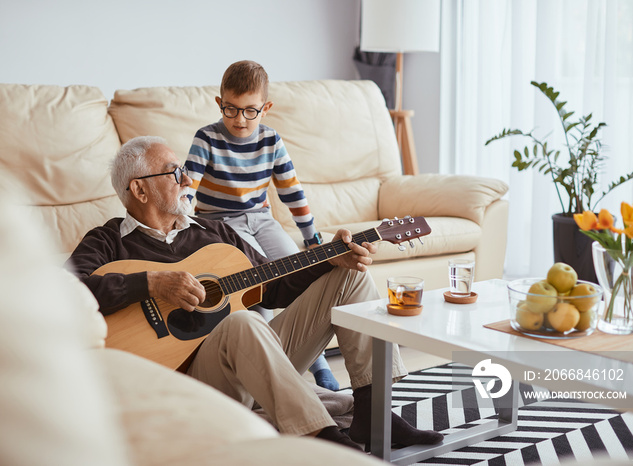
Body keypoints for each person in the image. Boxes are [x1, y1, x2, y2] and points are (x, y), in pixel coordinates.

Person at [66, 136, 444, 451]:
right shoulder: (108, 240)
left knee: (350, 277)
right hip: (194, 384)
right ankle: (321, 438)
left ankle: (373, 413)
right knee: (242, 323)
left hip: (257, 360)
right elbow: (65, 291)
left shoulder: (214, 233)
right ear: (139, 188)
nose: (187, 179)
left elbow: (274, 287)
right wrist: (150, 282)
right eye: (176, 171)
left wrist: (330, 258)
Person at [185, 60, 337, 390]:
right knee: (259, 281)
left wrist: (311, 238)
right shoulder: (207, 139)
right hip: (220, 225)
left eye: (250, 111)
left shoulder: (271, 140)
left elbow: (291, 190)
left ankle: (318, 361)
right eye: (231, 109)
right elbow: (187, 189)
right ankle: (270, 368)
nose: (240, 119)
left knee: (300, 270)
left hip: (261, 219)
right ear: (219, 103)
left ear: (265, 108)